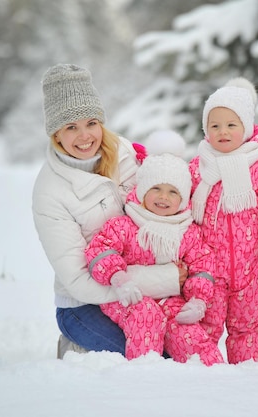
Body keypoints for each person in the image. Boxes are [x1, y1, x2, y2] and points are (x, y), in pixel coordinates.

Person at [32, 63, 184, 359]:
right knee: (154, 358)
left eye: (91, 123)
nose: (85, 136)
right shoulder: (50, 192)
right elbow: (77, 280)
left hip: (143, 294)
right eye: (71, 127)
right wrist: (164, 279)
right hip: (84, 305)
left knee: (182, 346)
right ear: (56, 134)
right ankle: (76, 345)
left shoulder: (123, 153)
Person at [84, 130, 224, 366]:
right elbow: (99, 250)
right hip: (128, 298)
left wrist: (198, 299)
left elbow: (202, 264)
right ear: (142, 191)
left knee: (186, 330)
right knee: (145, 315)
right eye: (156, 189)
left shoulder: (186, 232)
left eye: (172, 192)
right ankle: (145, 376)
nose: (163, 197)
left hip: (170, 301)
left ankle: (214, 377)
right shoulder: (125, 225)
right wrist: (118, 277)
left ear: (182, 199)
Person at [189, 77, 258, 364]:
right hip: (208, 271)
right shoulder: (197, 171)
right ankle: (203, 381)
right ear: (206, 130)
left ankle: (246, 383)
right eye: (215, 125)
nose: (223, 131)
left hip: (253, 271)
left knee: (248, 328)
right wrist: (144, 165)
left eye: (231, 125)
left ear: (246, 128)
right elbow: (166, 194)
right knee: (204, 329)